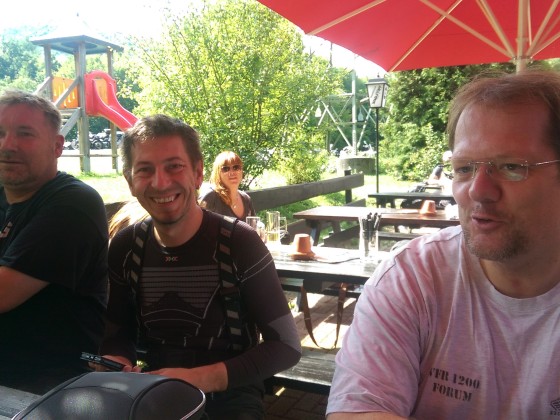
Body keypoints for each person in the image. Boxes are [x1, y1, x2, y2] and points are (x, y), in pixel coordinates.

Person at [327, 69, 560, 419]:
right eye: (464, 168)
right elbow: (359, 411)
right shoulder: (412, 278)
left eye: (511, 166)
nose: (478, 191)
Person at [99, 114, 301, 419]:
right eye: (145, 170)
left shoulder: (239, 242)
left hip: (231, 396)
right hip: (155, 390)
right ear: (130, 182)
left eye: (174, 166)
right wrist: (116, 360)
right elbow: (118, 330)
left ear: (197, 173)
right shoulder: (126, 247)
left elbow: (286, 346)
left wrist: (195, 379)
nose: (160, 182)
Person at [0, 90, 109, 394]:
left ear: (57, 146)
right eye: (0, 133)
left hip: (47, 387)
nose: (8, 145)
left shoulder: (74, 204)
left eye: (25, 134)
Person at [199, 151, 256, 221]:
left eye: (236, 167)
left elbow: (254, 225)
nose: (232, 173)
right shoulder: (211, 196)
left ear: (241, 171)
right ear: (218, 173)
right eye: (225, 169)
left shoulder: (246, 199)